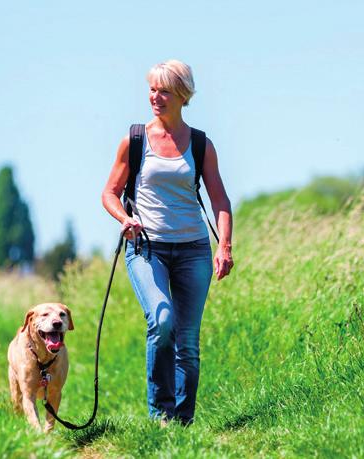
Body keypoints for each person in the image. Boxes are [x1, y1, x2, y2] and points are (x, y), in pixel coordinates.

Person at [101, 59, 234, 425]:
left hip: (193, 250)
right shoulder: (135, 139)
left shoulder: (201, 144)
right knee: (162, 321)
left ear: (182, 95)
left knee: (187, 343)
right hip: (147, 249)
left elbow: (220, 201)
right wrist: (125, 218)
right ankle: (160, 415)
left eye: (164, 91)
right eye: (152, 89)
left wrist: (224, 245)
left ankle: (182, 424)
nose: (155, 97)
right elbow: (110, 193)